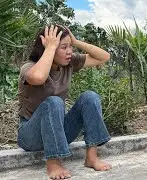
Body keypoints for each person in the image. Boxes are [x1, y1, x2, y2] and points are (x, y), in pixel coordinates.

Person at [17, 25, 112, 179]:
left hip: (58, 132)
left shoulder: (68, 64)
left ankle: (92, 157)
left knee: (90, 97)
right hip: (30, 137)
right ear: (47, 46)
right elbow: (39, 77)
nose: (69, 51)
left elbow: (104, 57)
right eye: (63, 47)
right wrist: (51, 47)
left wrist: (76, 42)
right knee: (54, 102)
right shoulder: (29, 68)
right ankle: (53, 163)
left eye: (70, 47)